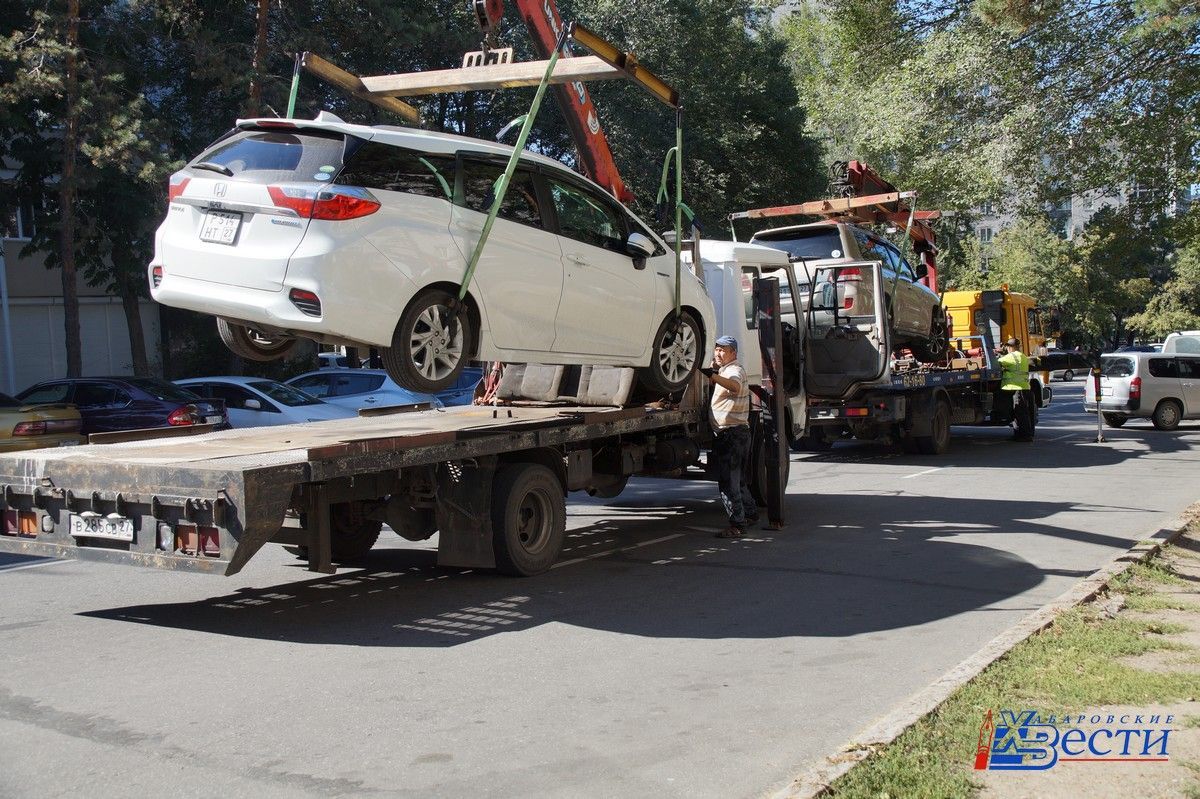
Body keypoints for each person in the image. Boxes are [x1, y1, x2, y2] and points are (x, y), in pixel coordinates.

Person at [704, 335, 758, 538]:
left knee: (728, 482)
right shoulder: (725, 371)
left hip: (732, 435)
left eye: (723, 350)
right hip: (736, 433)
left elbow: (734, 386)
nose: (718, 353)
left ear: (733, 353)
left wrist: (713, 376)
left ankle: (737, 524)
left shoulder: (734, 370)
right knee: (739, 480)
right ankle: (751, 514)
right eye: (717, 349)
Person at [997, 336, 1035, 441]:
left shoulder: (1011, 357)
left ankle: (1025, 436)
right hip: (1024, 387)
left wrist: (997, 354)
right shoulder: (1022, 356)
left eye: (1008, 347)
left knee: (1020, 413)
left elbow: (996, 362)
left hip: (1017, 388)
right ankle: (1020, 435)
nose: (1007, 349)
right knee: (1021, 413)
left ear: (1011, 347)